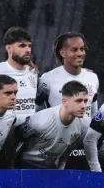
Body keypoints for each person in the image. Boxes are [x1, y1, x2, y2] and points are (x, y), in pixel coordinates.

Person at [36, 32, 100, 170]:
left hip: (84, 148)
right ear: (62, 52)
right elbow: (37, 114)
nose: (80, 53)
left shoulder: (92, 77)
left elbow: (94, 115)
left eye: (82, 49)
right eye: (74, 49)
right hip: (56, 148)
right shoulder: (47, 80)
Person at [15, 81, 89, 169]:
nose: (84, 106)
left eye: (85, 101)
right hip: (26, 165)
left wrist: (61, 167)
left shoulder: (83, 124)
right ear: (65, 102)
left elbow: (69, 144)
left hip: (50, 166)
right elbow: (13, 141)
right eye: (79, 101)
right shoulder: (41, 122)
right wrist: (11, 170)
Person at [0, 27, 38, 125]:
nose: (28, 50)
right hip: (4, 133)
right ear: (9, 48)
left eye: (29, 46)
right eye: (22, 46)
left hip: (30, 133)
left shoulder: (33, 72)